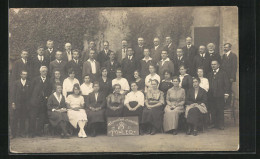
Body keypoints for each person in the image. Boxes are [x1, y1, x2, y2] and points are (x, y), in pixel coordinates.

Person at [29, 66, 51, 137]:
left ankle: (39, 132)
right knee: (33, 117)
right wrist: (32, 100)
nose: (45, 73)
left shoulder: (49, 80)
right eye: (43, 71)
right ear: (40, 72)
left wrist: (47, 96)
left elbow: (49, 90)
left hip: (43, 102)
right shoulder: (35, 80)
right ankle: (32, 132)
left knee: (42, 117)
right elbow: (31, 90)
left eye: (46, 71)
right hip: (35, 102)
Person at [207, 60, 230, 130]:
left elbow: (227, 84)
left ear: (218, 65)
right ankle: (214, 123)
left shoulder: (223, 73)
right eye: (212, 64)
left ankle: (221, 124)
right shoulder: (209, 74)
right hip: (212, 95)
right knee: (213, 109)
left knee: (220, 109)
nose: (213, 66)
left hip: (220, 94)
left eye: (214, 64)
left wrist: (226, 93)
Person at [10, 70, 31, 138]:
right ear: (20, 75)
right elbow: (13, 94)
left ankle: (22, 133)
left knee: (23, 118)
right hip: (17, 103)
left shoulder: (28, 83)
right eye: (23, 74)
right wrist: (13, 103)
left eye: (26, 74)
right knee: (15, 119)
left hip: (25, 104)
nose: (25, 75)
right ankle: (13, 134)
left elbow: (29, 94)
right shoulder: (16, 83)